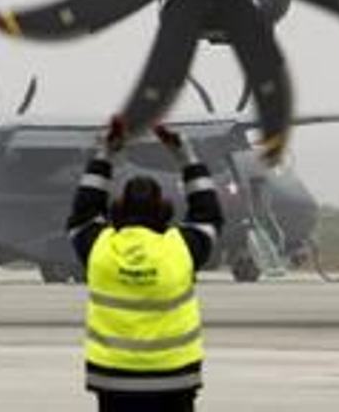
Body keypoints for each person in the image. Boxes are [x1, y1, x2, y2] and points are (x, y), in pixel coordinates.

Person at [66, 118, 224, 412]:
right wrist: (187, 157)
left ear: (118, 208)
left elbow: (82, 214)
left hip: (114, 381)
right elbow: (208, 215)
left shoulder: (100, 250)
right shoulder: (180, 249)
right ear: (164, 209)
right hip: (175, 380)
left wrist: (105, 154)